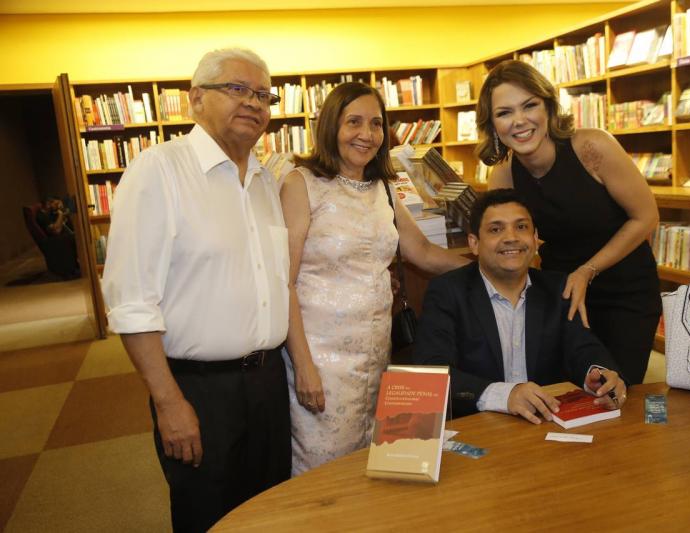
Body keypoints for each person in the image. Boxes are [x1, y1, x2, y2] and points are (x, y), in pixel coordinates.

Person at [101, 48, 290, 532]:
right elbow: (131, 302)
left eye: (263, 95)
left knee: (272, 512)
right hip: (201, 390)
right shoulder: (158, 171)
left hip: (269, 383)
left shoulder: (265, 181)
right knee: (207, 515)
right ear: (196, 98)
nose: (253, 103)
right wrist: (169, 402)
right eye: (237, 89)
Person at [279, 81, 469, 476]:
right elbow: (285, 282)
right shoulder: (302, 184)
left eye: (376, 124)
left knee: (371, 462)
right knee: (324, 470)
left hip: (376, 352)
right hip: (320, 359)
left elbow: (422, 252)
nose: (366, 134)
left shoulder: (382, 188)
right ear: (331, 126)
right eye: (354, 122)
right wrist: (304, 366)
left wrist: (488, 265)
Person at [477, 59, 661, 384]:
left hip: (624, 290)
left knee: (616, 389)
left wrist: (586, 271)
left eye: (529, 105)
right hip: (561, 292)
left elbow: (646, 217)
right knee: (569, 389)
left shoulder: (593, 147)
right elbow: (508, 237)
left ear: (548, 106)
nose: (519, 121)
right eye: (504, 113)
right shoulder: (504, 174)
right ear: (492, 124)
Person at [413, 189, 626, 421]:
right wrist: (505, 395)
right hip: (478, 425)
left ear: (535, 239)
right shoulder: (446, 292)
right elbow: (431, 372)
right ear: (474, 243)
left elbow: (584, 348)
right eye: (496, 229)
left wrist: (598, 374)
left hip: (545, 425)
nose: (511, 237)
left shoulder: (558, 288)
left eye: (521, 227)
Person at [35, 196, 80, 279]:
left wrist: (62, 213)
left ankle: (77, 266)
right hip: (52, 241)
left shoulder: (49, 213)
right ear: (47, 205)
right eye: (53, 204)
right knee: (72, 238)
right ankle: (73, 269)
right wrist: (60, 214)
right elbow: (56, 231)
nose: (54, 206)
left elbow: (59, 226)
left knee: (75, 235)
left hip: (59, 237)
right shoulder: (42, 216)